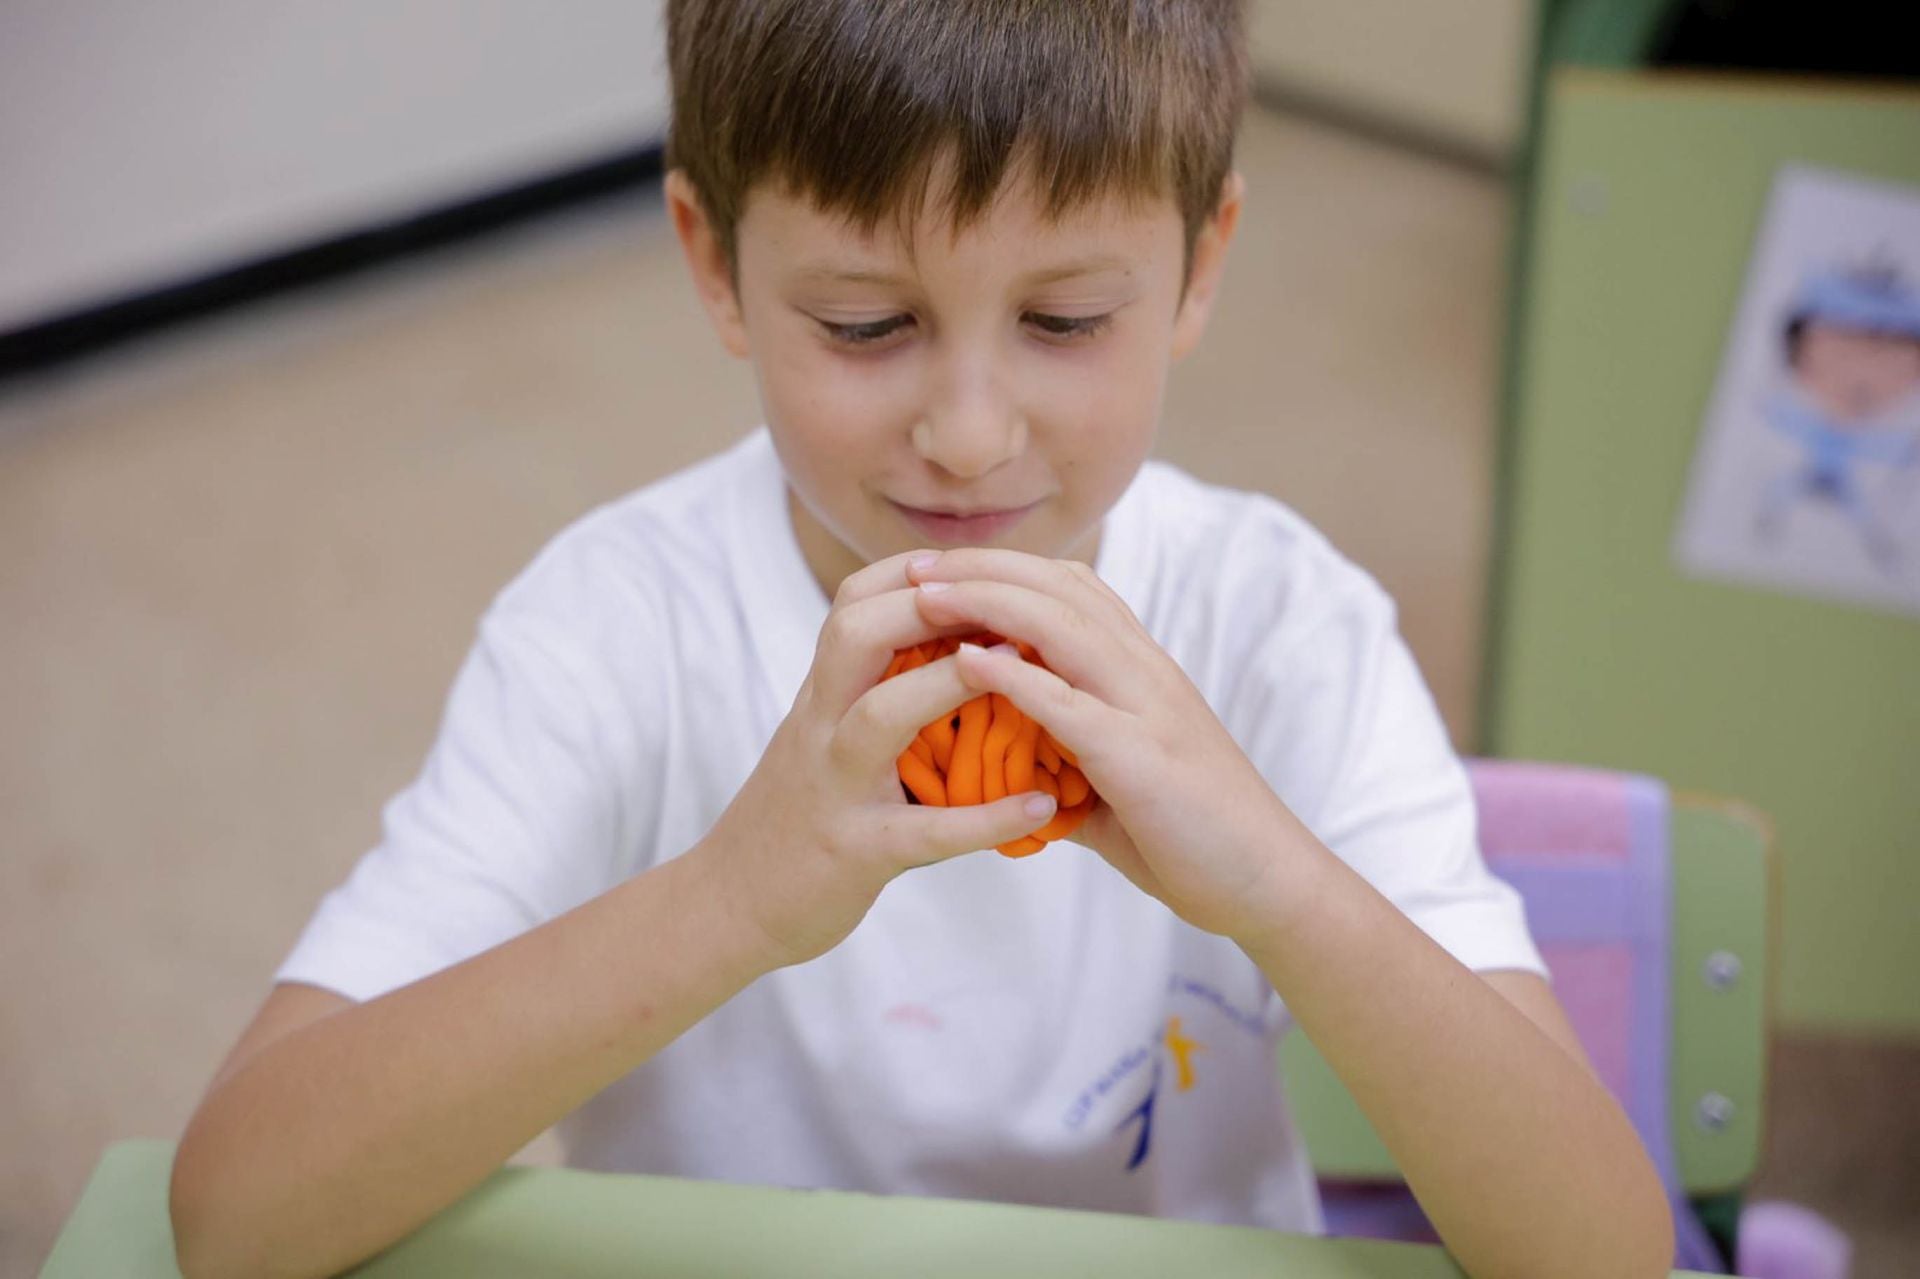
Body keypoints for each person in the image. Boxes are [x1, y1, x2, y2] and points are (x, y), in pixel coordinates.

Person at [168, 3, 1674, 1276]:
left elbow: (1605, 1252)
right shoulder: (615, 627)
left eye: (1069, 319)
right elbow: (238, 1208)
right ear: (715, 265)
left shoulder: (1281, 627)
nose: (967, 437)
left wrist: (1279, 886)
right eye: (867, 324)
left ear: (1202, 267)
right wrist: (736, 899)